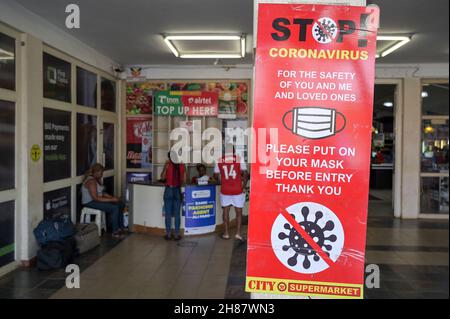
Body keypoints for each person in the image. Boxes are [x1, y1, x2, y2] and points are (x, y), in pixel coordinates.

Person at [81, 163, 126, 238]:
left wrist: (114, 198)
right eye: (101, 173)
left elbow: (102, 193)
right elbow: (96, 198)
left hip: (95, 200)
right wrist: (111, 199)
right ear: (96, 172)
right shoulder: (91, 181)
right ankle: (115, 232)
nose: (102, 175)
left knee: (120, 204)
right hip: (90, 202)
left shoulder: (96, 180)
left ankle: (121, 227)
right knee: (114, 208)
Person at [214, 146, 248, 241]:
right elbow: (245, 173)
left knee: (225, 212)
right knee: (239, 213)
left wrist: (222, 181)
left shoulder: (220, 160)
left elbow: (216, 175)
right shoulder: (239, 159)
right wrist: (244, 186)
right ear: (233, 151)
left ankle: (226, 234)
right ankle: (238, 234)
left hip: (225, 190)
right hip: (238, 190)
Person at [160, 151, 186, 241]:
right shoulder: (182, 165)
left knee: (168, 214)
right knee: (177, 214)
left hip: (169, 190)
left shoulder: (168, 165)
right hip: (177, 190)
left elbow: (162, 178)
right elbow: (185, 180)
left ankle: (168, 234)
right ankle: (176, 235)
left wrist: (165, 168)